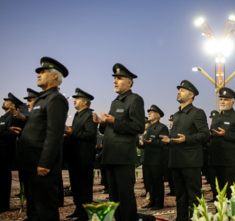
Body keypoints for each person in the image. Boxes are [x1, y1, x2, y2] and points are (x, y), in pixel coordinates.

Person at [19, 57, 69, 220]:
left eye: (43, 72)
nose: (38, 75)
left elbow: (54, 134)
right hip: (31, 162)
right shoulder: (42, 99)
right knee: (33, 208)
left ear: (55, 76)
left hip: (42, 165)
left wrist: (45, 163)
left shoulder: (56, 99)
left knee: (45, 210)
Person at [93, 63, 145, 221]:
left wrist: (114, 121)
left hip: (123, 157)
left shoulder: (135, 99)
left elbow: (138, 126)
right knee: (114, 198)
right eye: (114, 78)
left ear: (129, 83)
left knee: (125, 197)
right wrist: (102, 123)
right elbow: (112, 128)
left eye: (119, 78)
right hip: (110, 155)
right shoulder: (115, 102)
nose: (115, 81)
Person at [160, 80, 209, 221]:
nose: (178, 92)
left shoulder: (197, 113)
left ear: (191, 95)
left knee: (194, 196)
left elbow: (204, 134)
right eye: (178, 90)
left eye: (182, 90)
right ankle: (181, 218)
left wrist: (186, 139)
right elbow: (176, 136)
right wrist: (169, 140)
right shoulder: (176, 115)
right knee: (180, 195)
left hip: (190, 161)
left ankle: (196, 218)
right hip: (176, 160)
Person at [64, 88, 98, 221]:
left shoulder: (89, 116)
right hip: (75, 156)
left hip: (84, 157)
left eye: (77, 99)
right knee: (76, 186)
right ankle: (78, 209)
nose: (74, 100)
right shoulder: (78, 115)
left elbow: (89, 135)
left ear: (84, 103)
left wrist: (72, 133)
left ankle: (86, 214)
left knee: (84, 187)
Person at [209, 87, 235, 198]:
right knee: (217, 193)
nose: (222, 102)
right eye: (221, 99)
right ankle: (220, 215)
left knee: (231, 192)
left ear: (233, 102)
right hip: (215, 160)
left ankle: (233, 215)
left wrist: (226, 134)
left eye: (225, 99)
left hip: (229, 162)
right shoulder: (216, 117)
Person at [141, 105, 169, 210]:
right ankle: (152, 202)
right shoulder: (149, 128)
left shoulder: (162, 127)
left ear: (157, 115)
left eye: (151, 112)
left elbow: (164, 143)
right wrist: (141, 143)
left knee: (157, 182)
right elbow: (145, 142)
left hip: (157, 160)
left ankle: (158, 203)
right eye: (149, 112)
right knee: (149, 182)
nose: (149, 113)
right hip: (147, 159)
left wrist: (153, 142)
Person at [0, 93, 23, 212]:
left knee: (4, 180)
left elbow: (12, 134)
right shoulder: (3, 118)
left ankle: (3, 205)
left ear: (12, 105)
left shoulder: (12, 118)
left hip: (6, 153)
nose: (4, 102)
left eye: (7, 101)